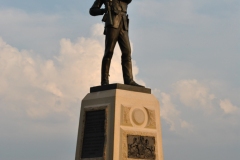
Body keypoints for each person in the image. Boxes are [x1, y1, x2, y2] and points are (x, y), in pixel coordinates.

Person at [89, 0, 144, 87]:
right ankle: (104, 80)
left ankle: (129, 80)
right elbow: (92, 11)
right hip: (112, 22)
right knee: (109, 52)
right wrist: (104, 10)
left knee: (127, 52)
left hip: (123, 24)